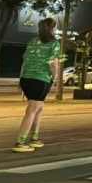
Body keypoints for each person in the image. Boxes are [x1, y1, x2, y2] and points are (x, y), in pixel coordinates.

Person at [14, 18, 61, 153]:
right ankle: (20, 142)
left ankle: (34, 138)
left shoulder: (32, 42)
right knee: (32, 111)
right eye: (55, 27)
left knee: (39, 108)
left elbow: (24, 61)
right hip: (40, 79)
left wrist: (20, 78)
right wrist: (54, 78)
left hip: (26, 79)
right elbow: (53, 63)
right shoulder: (54, 43)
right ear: (52, 29)